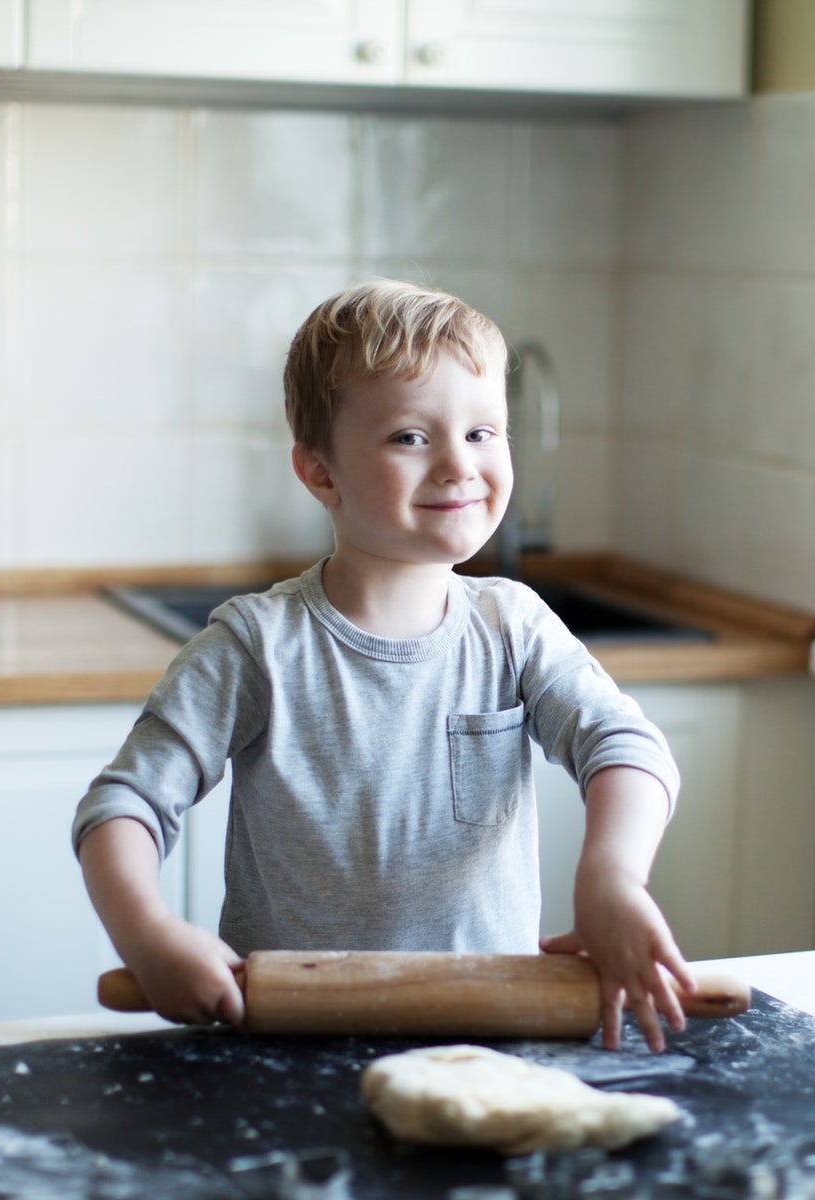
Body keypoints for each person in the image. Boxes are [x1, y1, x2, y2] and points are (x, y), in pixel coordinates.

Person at [72, 279, 695, 1051]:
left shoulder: (514, 628)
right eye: (410, 437)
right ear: (321, 472)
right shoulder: (257, 646)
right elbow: (123, 805)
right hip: (290, 1040)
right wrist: (150, 936)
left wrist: (612, 881)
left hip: (486, 1035)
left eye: (483, 432)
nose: (458, 466)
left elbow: (627, 748)